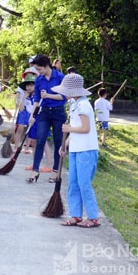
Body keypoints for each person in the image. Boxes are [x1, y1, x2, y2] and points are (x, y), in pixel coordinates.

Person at [52, 73, 101, 228]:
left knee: (84, 184)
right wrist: (65, 144)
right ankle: (76, 215)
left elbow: (85, 128)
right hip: (75, 148)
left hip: (86, 150)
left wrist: (68, 128)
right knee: (73, 183)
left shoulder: (84, 105)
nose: (64, 93)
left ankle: (93, 217)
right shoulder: (74, 104)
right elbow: (74, 131)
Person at [27, 54, 66, 183]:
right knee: (40, 140)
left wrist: (49, 95)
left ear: (47, 66)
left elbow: (65, 97)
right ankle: (35, 170)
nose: (39, 72)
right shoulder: (39, 80)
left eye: (40, 69)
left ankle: (55, 171)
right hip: (44, 113)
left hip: (58, 112)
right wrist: (32, 116)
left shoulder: (60, 77)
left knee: (57, 141)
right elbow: (37, 99)